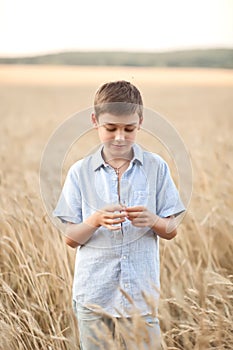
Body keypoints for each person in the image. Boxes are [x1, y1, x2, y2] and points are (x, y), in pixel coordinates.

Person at [53, 81, 185, 349]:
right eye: (110, 128)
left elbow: (172, 230)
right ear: (95, 121)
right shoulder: (79, 172)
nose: (120, 137)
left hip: (140, 300)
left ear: (141, 122)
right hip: (94, 297)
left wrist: (154, 221)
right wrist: (95, 220)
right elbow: (70, 238)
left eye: (129, 128)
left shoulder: (156, 168)